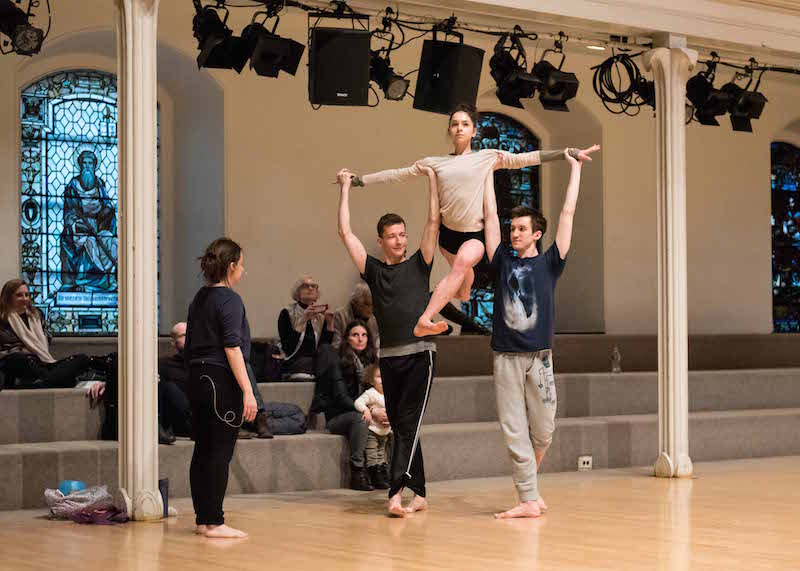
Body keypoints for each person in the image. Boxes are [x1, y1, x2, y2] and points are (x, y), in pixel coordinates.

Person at [347, 103, 599, 337]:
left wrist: (567, 152)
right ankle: (463, 291)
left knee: (461, 267)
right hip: (448, 236)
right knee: (464, 280)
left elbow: (526, 158)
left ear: (474, 131)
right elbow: (397, 174)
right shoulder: (435, 163)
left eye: (465, 124)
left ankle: (424, 318)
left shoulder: (487, 157)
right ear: (449, 129)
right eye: (455, 123)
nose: (459, 128)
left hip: (474, 235)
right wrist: (358, 180)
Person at [483, 149, 584, 519]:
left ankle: (530, 489)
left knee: (543, 431)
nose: (514, 233)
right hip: (507, 357)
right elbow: (490, 217)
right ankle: (528, 497)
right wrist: (488, 172)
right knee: (514, 429)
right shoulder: (501, 262)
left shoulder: (550, 262)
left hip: (540, 358)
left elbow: (568, 214)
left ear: (536, 233)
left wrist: (574, 170)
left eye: (521, 228)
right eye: (513, 229)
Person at [336, 164, 439, 517]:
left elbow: (432, 224)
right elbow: (345, 232)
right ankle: (421, 492)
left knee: (406, 425)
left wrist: (433, 181)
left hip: (421, 356)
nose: (399, 240)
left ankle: (395, 493)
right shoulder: (374, 270)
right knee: (402, 423)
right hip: (391, 358)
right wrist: (346, 189)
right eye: (392, 236)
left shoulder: (420, 264)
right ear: (381, 241)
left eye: (402, 234)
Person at [185, 238, 257, 538]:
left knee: (202, 450)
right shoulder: (229, 299)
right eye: (241, 265)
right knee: (219, 452)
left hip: (196, 380)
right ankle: (214, 521)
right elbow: (232, 347)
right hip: (218, 381)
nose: (243, 270)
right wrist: (248, 391)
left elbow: (189, 346)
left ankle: (204, 519)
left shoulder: (199, 298)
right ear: (230, 267)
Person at [311, 320, 380, 490]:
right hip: (339, 416)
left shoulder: (372, 362)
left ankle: (379, 469)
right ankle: (357, 472)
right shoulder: (337, 362)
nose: (360, 339)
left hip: (364, 410)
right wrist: (370, 409)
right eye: (355, 335)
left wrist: (382, 410)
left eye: (364, 335)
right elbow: (341, 398)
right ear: (347, 339)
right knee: (361, 419)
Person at [0, 279, 91, 389]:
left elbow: (46, 338)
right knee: (15, 358)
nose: (24, 299)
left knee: (82, 359)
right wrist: (26, 350)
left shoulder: (37, 315)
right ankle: (60, 380)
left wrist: (29, 348)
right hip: (21, 363)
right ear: (8, 298)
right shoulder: (3, 320)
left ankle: (43, 382)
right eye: (19, 295)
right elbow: (4, 352)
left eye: (27, 295)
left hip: (44, 362)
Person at [61, 147, 117, 292]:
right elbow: (69, 212)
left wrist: (105, 214)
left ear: (94, 165)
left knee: (111, 241)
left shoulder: (99, 185)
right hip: (79, 226)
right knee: (88, 241)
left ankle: (106, 281)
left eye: (90, 163)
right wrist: (78, 224)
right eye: (84, 163)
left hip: (99, 227)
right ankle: (83, 280)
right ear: (80, 164)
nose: (87, 166)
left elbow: (107, 205)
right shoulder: (72, 186)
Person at [278, 275, 334, 379]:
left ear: (317, 294)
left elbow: (324, 348)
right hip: (294, 360)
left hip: (316, 362)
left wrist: (330, 324)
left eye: (314, 286)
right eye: (305, 286)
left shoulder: (321, 316)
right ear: (297, 293)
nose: (310, 288)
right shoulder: (287, 313)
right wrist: (303, 319)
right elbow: (288, 348)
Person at [354, 363, 391, 490]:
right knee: (372, 453)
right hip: (373, 431)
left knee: (382, 453)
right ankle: (374, 474)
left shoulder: (390, 393)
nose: (383, 379)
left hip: (385, 431)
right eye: (379, 377)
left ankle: (382, 472)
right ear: (371, 380)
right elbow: (358, 402)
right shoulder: (371, 393)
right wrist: (366, 410)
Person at [331, 283, 379, 350]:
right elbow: (336, 345)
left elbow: (375, 344)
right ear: (355, 303)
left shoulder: (372, 319)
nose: (371, 309)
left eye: (372, 305)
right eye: (367, 305)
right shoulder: (340, 315)